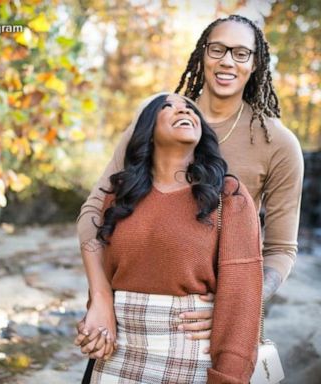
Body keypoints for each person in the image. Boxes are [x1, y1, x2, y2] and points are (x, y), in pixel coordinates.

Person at [75, 14, 304, 369]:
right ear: (202, 55)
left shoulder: (278, 144)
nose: (228, 60)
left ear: (256, 64)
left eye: (241, 53)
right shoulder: (155, 120)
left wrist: (235, 308)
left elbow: (280, 249)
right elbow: (94, 211)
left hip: (209, 329)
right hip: (130, 320)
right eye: (218, 49)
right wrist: (101, 296)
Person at [76, 92, 263, 383]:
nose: (184, 110)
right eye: (168, 107)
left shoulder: (229, 196)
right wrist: (96, 320)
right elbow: (105, 275)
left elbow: (241, 300)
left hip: (190, 359)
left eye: (190, 108)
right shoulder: (118, 196)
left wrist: (229, 377)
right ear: (147, 132)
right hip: (117, 357)